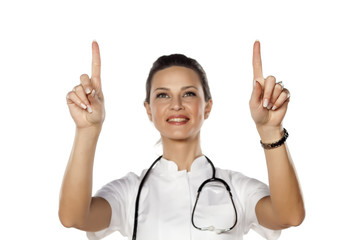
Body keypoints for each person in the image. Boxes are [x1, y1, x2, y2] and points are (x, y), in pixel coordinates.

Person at [59, 40, 305, 240]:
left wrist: (270, 130)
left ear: (207, 107)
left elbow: (290, 216)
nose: (176, 105)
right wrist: (87, 130)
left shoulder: (237, 189)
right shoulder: (130, 192)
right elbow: (73, 217)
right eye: (163, 95)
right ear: (148, 110)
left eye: (188, 93)